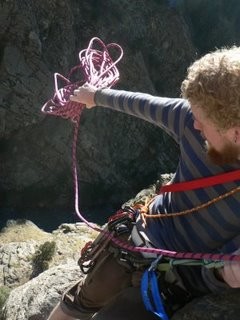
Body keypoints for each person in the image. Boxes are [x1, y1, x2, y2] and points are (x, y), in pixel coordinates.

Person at [47, 46, 240, 320]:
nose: (194, 125)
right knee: (81, 299)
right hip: (139, 238)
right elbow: (144, 104)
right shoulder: (189, 119)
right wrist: (95, 96)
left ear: (236, 134)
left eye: (201, 121)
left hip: (177, 281)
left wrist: (224, 274)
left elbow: (225, 269)